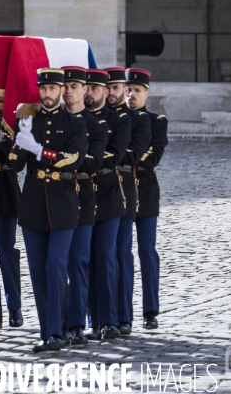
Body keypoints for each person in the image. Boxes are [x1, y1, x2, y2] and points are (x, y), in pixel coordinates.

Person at [9, 68, 87, 352]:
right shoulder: (30, 120)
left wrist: (40, 150)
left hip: (63, 202)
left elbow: (74, 159)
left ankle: (57, 330)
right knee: (39, 271)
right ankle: (49, 330)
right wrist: (20, 140)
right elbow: (15, 165)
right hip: (33, 204)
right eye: (43, 90)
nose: (48, 94)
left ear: (61, 91)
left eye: (53, 89)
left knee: (56, 265)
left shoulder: (73, 123)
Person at [61, 66, 108, 346]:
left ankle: (77, 323)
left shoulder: (96, 124)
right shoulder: (52, 120)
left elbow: (94, 162)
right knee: (56, 264)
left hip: (83, 196)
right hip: (53, 197)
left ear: (84, 89)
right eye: (64, 86)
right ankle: (58, 320)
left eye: (74, 86)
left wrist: (63, 159)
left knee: (78, 261)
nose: (68, 91)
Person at [84, 69, 131, 340]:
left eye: (95, 88)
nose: (89, 93)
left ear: (105, 91)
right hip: (82, 195)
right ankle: (94, 319)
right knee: (86, 259)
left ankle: (110, 320)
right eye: (86, 88)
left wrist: (84, 158)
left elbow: (114, 157)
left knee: (106, 256)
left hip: (108, 193)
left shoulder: (119, 120)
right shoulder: (77, 120)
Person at [105, 67, 151, 335]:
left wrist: (104, 154)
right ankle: (100, 315)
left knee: (121, 254)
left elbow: (132, 156)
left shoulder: (137, 120)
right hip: (96, 191)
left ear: (125, 89)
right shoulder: (97, 117)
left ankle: (124, 316)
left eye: (117, 87)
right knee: (98, 256)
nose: (112, 92)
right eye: (107, 88)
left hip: (122, 189)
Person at [127, 68, 168, 330]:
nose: (131, 95)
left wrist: (124, 155)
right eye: (128, 90)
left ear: (147, 93)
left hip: (145, 190)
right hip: (117, 190)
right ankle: (121, 310)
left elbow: (152, 157)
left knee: (147, 250)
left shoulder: (157, 121)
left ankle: (150, 309)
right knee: (119, 253)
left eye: (137, 91)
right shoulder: (117, 118)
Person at [0, 122, 23, 329]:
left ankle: (14, 307)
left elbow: (21, 159)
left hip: (6, 189)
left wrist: (7, 142)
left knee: (6, 249)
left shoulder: (8, 121)